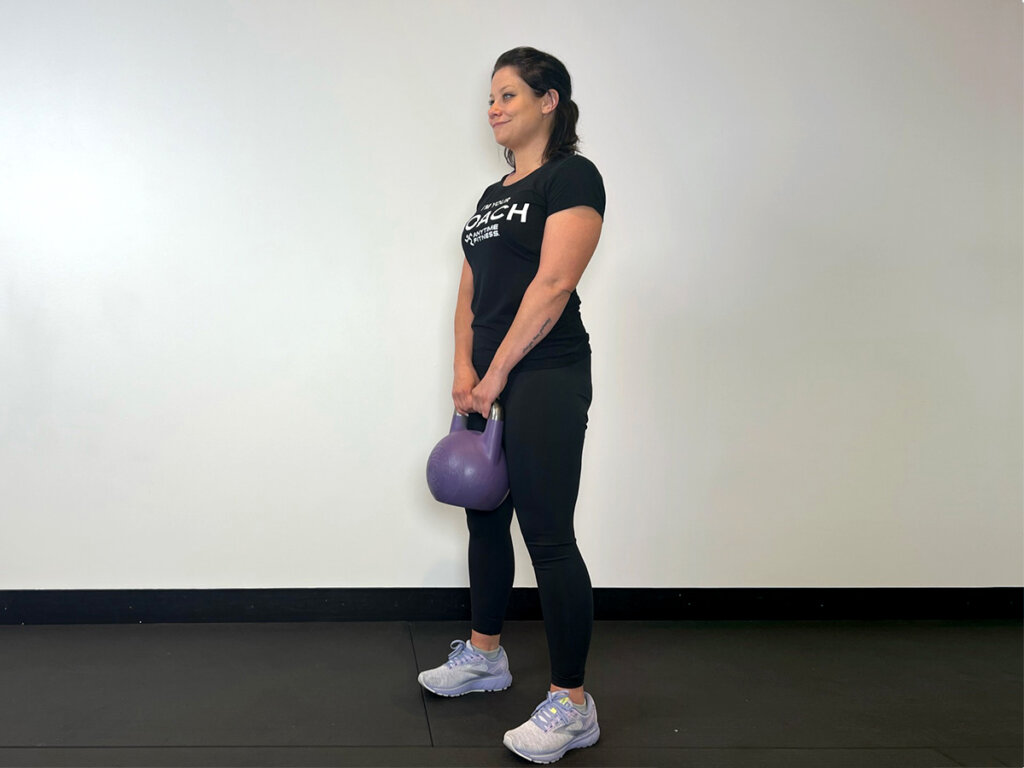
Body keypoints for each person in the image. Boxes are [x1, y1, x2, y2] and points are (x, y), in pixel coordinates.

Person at [417, 47, 605, 764]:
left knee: (549, 534)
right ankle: (486, 655)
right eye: (489, 97)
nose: (493, 107)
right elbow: (470, 291)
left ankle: (572, 703)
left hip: (546, 373)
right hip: (488, 380)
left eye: (508, 95)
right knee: (486, 520)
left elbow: (554, 284)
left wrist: (496, 374)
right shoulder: (492, 195)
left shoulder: (573, 176)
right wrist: (464, 369)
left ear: (548, 100)